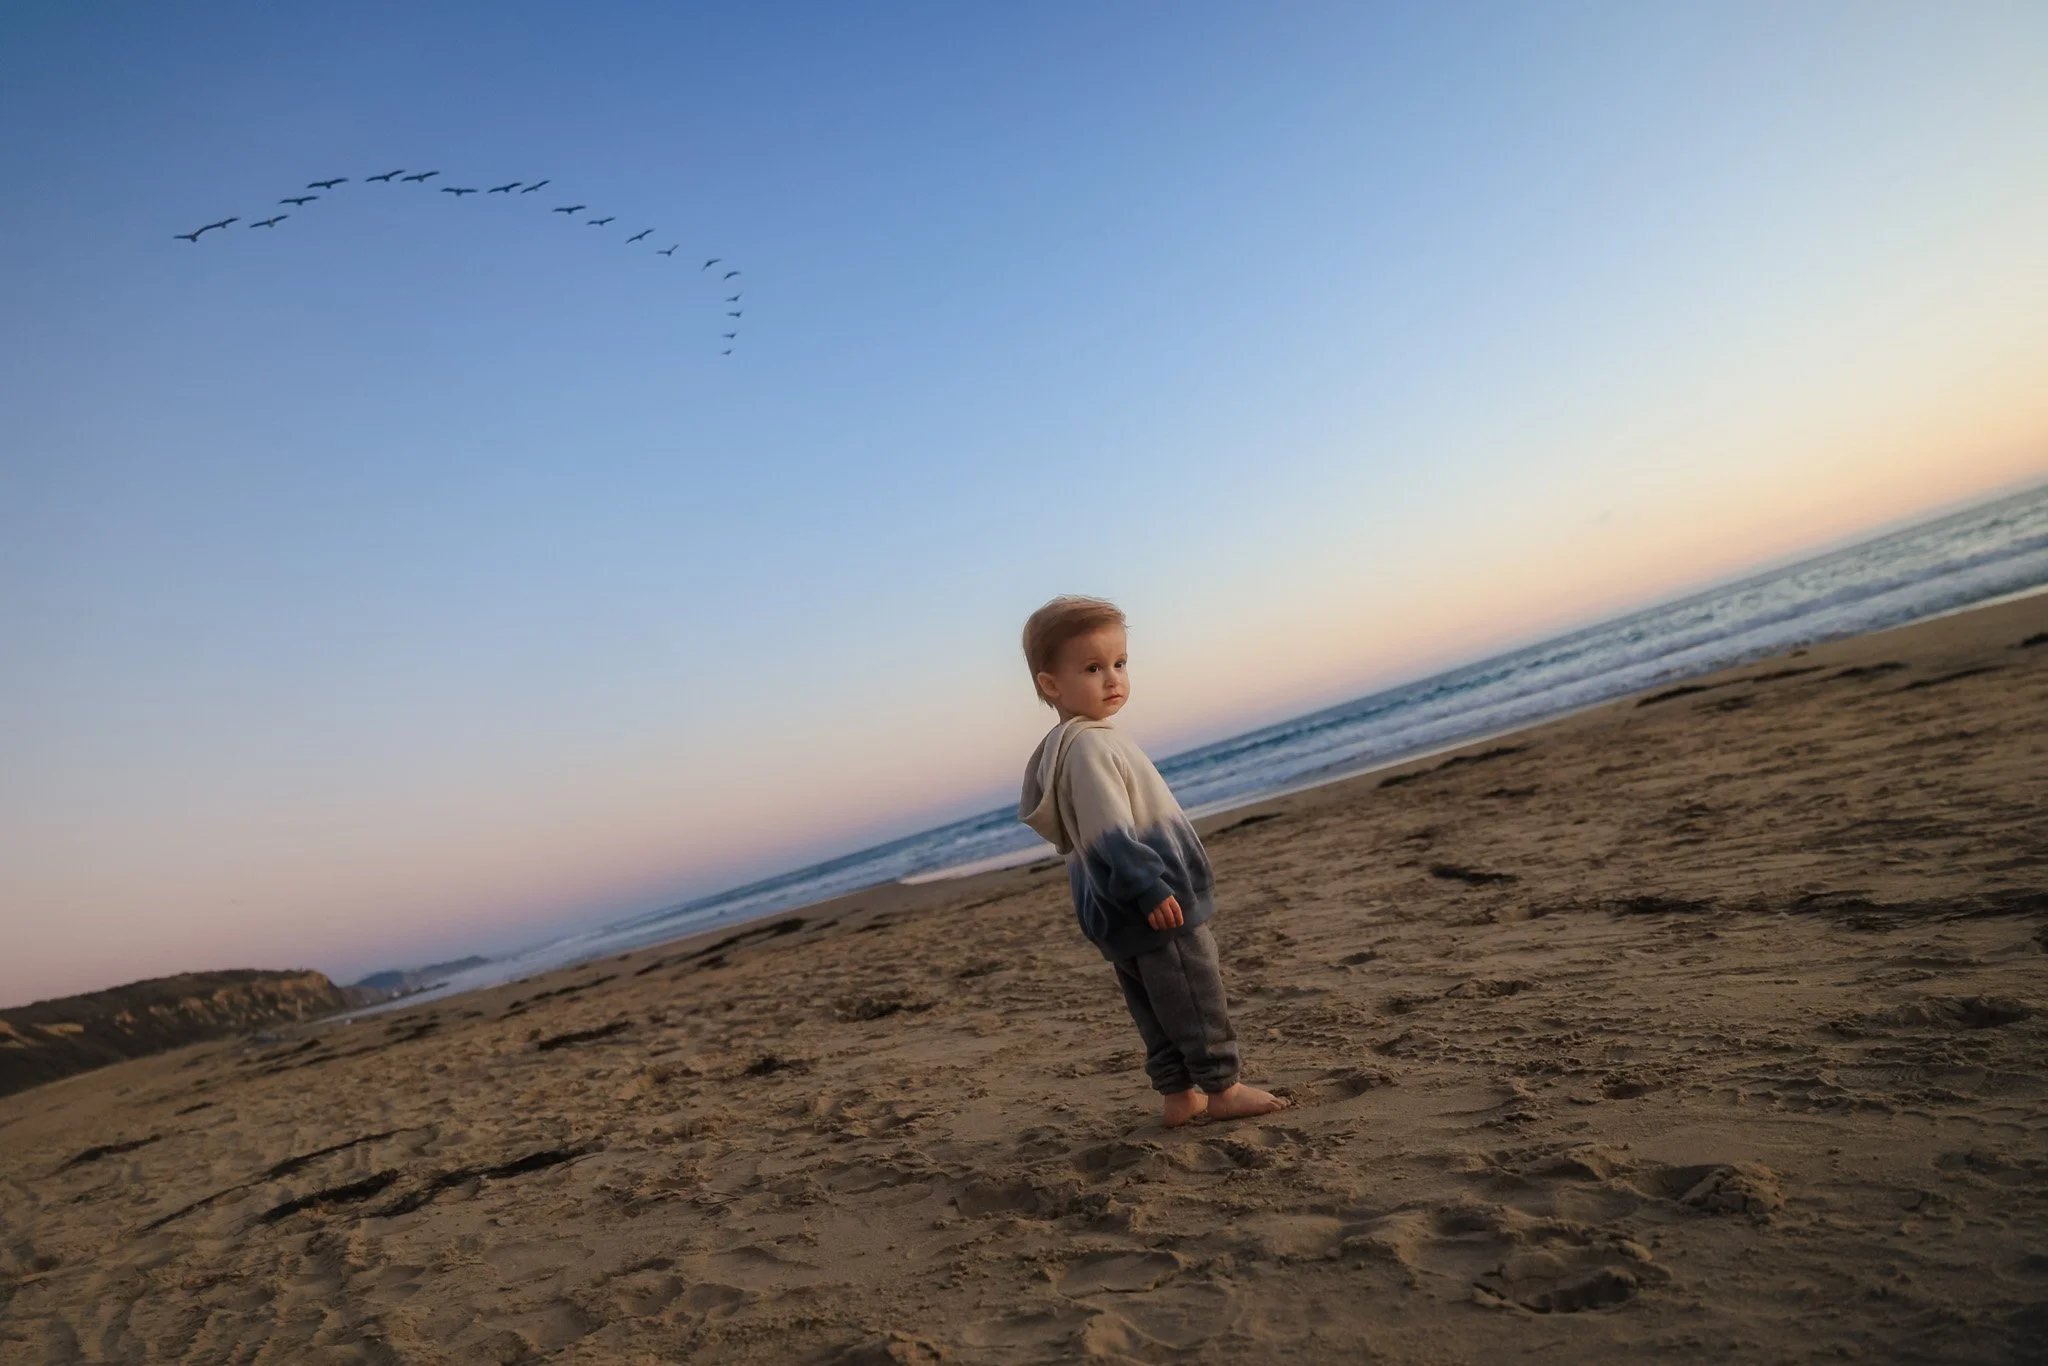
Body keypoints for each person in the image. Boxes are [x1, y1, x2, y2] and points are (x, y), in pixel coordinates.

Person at [1018, 595, 1287, 1127]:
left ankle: (1178, 1096)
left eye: (1119, 664)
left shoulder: (1066, 747)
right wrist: (1148, 885)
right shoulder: (1092, 749)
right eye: (1093, 668)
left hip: (1114, 910)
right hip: (1151, 901)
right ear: (1053, 685)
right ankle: (1223, 1088)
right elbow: (1108, 832)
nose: (1113, 678)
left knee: (1154, 1003)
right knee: (1193, 989)